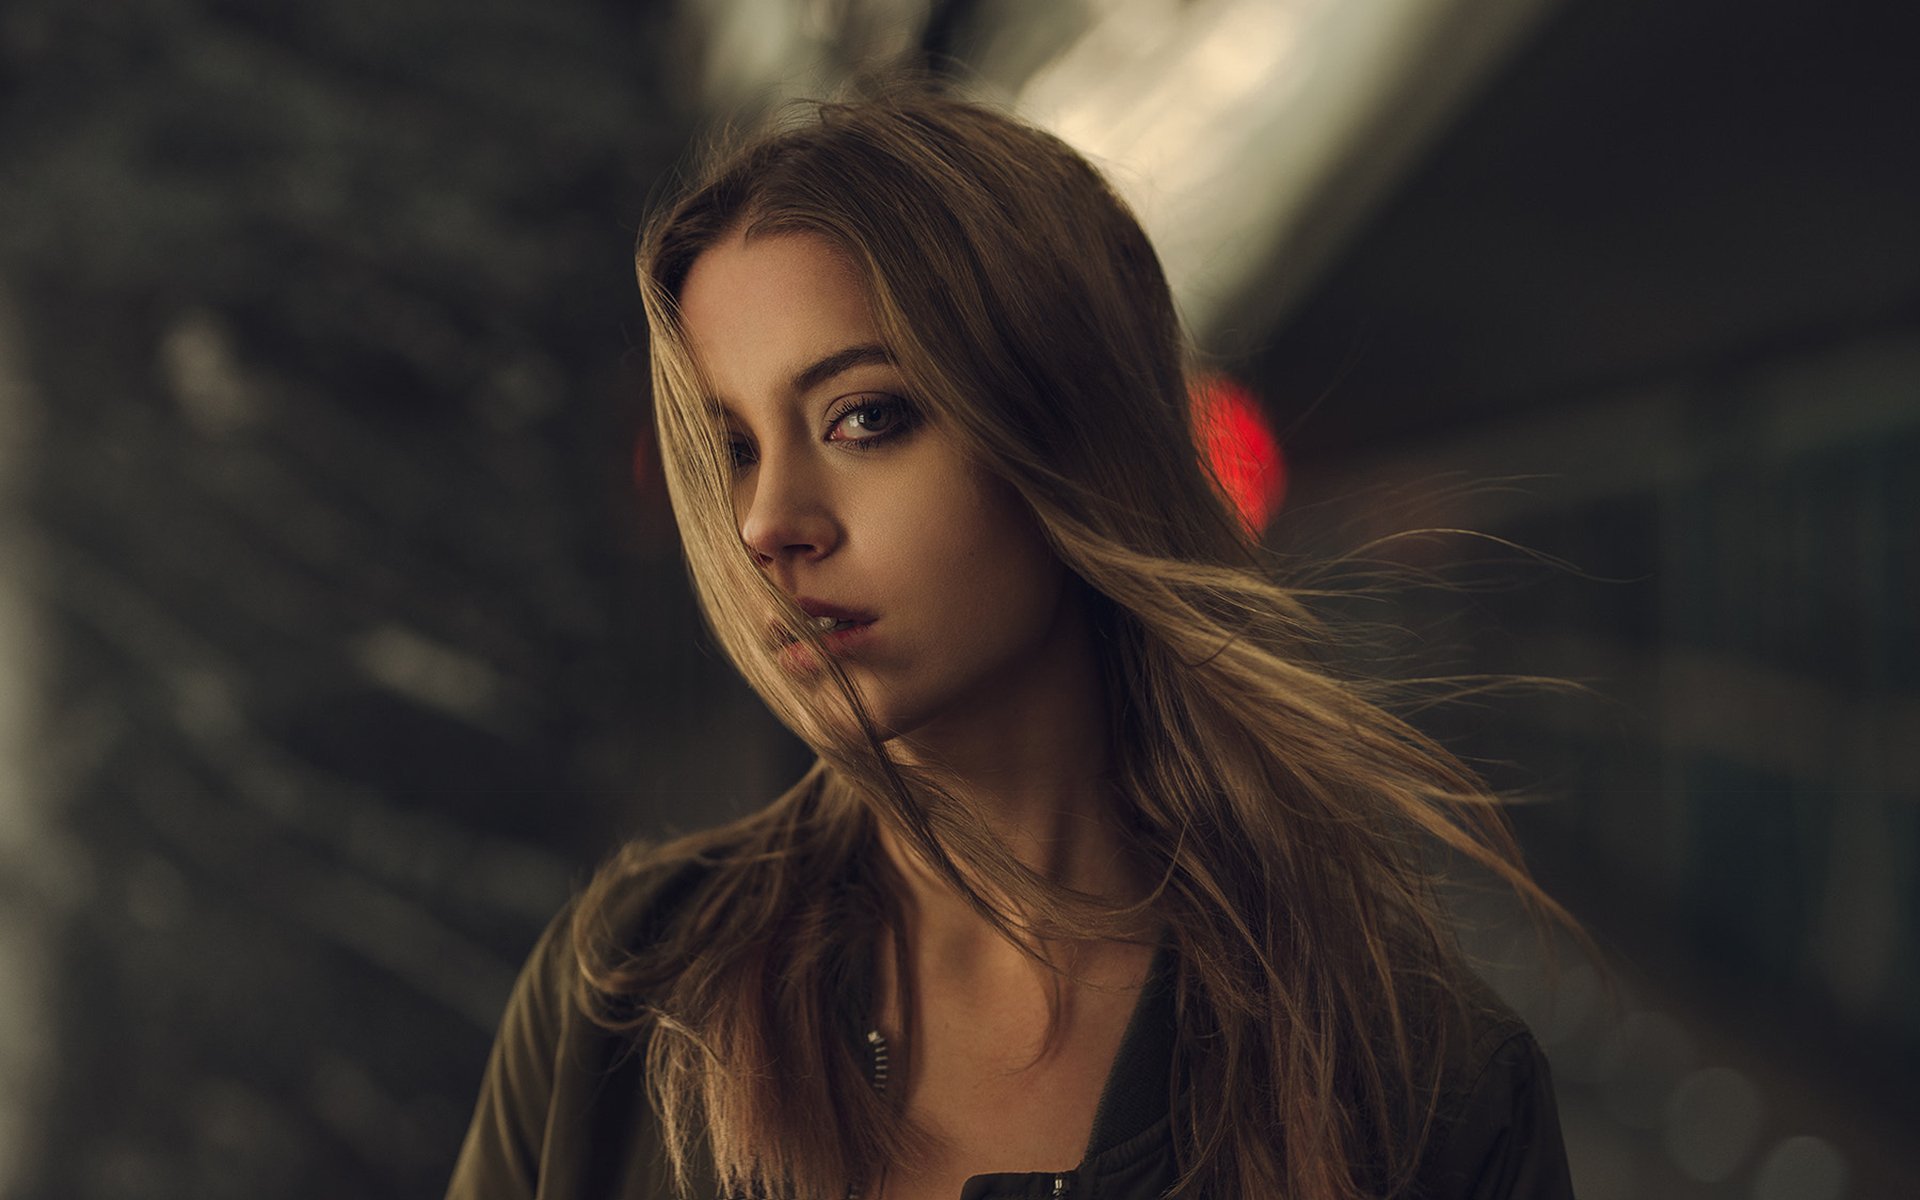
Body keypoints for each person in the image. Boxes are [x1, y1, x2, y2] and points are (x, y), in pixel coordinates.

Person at [446, 80, 1578, 1200]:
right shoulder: (624, 988)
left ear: (1067, 434)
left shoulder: (1417, 1085)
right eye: (731, 447)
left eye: (865, 418)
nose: (767, 523)